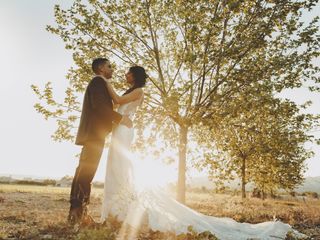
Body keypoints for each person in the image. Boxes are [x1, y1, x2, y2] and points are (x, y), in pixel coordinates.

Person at [100, 66, 305, 239]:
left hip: (125, 130)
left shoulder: (138, 91)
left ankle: (124, 205)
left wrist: (102, 80)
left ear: (135, 75)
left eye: (128, 72)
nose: (125, 74)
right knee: (117, 165)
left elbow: (117, 101)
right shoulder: (131, 89)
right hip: (120, 129)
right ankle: (120, 206)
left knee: (121, 165)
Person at [67, 58, 132, 225]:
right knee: (86, 173)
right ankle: (80, 214)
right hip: (94, 134)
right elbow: (100, 107)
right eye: (110, 66)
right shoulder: (98, 82)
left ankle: (76, 214)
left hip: (93, 134)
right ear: (102, 68)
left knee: (82, 172)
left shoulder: (99, 83)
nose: (112, 69)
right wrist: (120, 118)